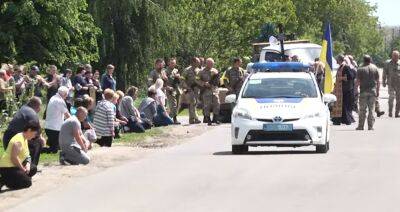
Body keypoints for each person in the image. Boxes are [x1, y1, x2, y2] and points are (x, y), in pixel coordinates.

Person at [3, 97, 45, 166]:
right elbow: (37, 129)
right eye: (40, 106)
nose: (40, 109)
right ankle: (32, 166)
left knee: (31, 139)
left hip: (7, 138)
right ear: (37, 106)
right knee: (38, 142)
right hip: (14, 141)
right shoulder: (32, 113)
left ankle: (23, 164)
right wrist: (41, 138)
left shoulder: (24, 108)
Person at [0, 121, 40, 191]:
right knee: (28, 183)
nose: (34, 136)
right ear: (29, 130)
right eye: (34, 134)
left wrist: (27, 165)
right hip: (7, 167)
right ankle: (4, 180)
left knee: (33, 168)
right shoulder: (18, 141)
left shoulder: (25, 138)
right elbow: (14, 158)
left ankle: (15, 178)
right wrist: (22, 169)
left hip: (15, 166)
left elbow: (28, 156)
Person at [43, 86, 71, 153]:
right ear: (64, 94)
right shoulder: (60, 101)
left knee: (57, 147)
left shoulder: (53, 98)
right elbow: (67, 115)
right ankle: (38, 149)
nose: (66, 96)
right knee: (54, 150)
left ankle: (50, 144)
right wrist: (74, 121)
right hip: (54, 129)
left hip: (49, 127)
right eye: (66, 95)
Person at [356, 55, 380, 130]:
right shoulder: (375, 68)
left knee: (362, 110)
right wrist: (378, 91)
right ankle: (370, 126)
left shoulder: (360, 68)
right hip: (372, 91)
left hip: (363, 91)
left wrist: (356, 90)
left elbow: (358, 81)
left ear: (363, 60)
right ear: (370, 60)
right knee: (371, 109)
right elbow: (378, 81)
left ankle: (361, 126)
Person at [331, 55, 356, 125]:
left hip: (345, 90)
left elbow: (351, 76)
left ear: (339, 60)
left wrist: (342, 78)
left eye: (337, 59)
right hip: (339, 90)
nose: (336, 60)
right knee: (340, 105)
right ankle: (338, 120)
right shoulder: (341, 67)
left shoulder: (346, 67)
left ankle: (347, 120)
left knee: (344, 105)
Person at [197, 58, 221, 125]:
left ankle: (215, 118)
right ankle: (208, 119)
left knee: (217, 103)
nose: (211, 65)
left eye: (212, 64)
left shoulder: (215, 70)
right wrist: (204, 83)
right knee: (207, 105)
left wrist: (216, 77)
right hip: (206, 91)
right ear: (206, 63)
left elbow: (218, 81)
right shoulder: (201, 71)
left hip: (214, 90)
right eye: (210, 64)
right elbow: (197, 80)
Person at [182, 57, 201, 124]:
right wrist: (186, 87)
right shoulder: (186, 70)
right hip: (189, 89)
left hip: (197, 90)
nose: (199, 63)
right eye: (198, 62)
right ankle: (196, 118)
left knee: (194, 104)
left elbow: (200, 79)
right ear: (193, 62)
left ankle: (191, 119)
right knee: (192, 103)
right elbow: (182, 79)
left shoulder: (199, 70)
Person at [383, 50, 400, 117]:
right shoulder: (387, 63)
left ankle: (397, 113)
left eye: (397, 56)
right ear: (392, 56)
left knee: (399, 99)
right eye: (394, 56)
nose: (396, 57)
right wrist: (383, 81)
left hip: (399, 84)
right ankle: (390, 112)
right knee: (391, 98)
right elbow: (384, 73)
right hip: (391, 83)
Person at [165, 58, 181, 124]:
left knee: (177, 105)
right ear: (169, 63)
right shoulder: (165, 71)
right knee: (173, 104)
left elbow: (180, 81)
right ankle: (175, 119)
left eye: (174, 63)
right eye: (171, 63)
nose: (173, 64)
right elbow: (164, 81)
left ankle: (168, 117)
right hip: (170, 89)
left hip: (177, 89)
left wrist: (179, 77)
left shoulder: (176, 70)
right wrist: (167, 87)